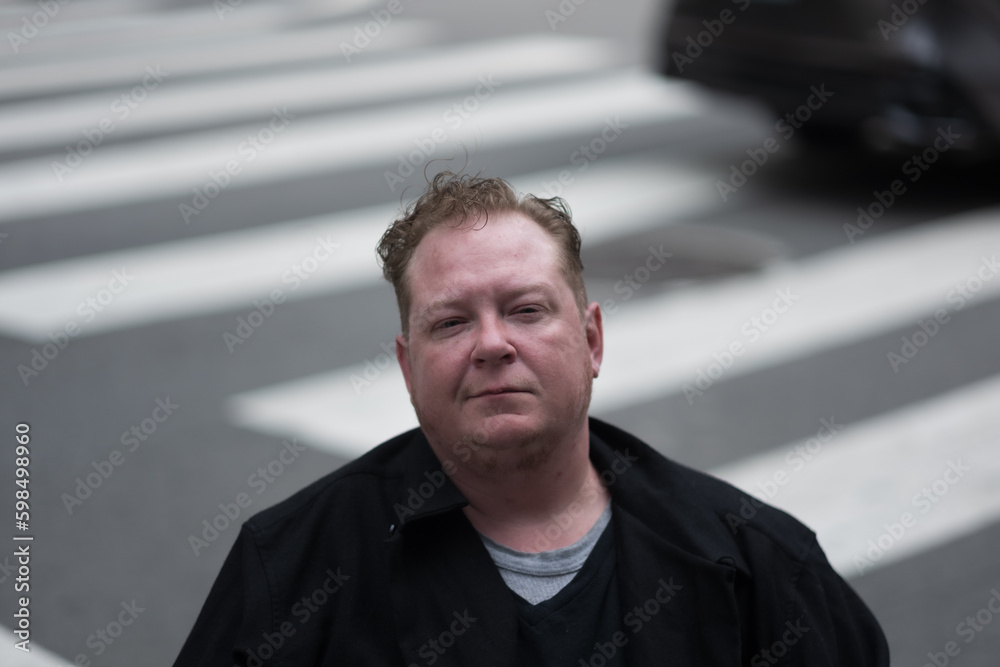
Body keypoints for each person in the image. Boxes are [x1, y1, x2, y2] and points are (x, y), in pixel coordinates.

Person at [173, 172, 889, 666]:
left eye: (526, 309)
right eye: (451, 322)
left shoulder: (761, 566)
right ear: (406, 365)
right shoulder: (292, 570)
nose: (491, 343)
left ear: (592, 339)